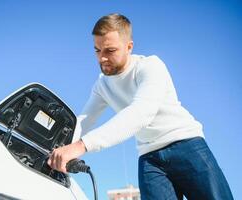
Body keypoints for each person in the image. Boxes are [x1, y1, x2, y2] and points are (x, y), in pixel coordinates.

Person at [47, 13, 233, 199]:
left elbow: (141, 113)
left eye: (110, 51)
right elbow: (84, 121)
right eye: (97, 50)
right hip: (150, 159)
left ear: (129, 47)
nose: (102, 58)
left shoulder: (150, 66)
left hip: (187, 145)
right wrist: (57, 148)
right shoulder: (101, 85)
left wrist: (81, 146)